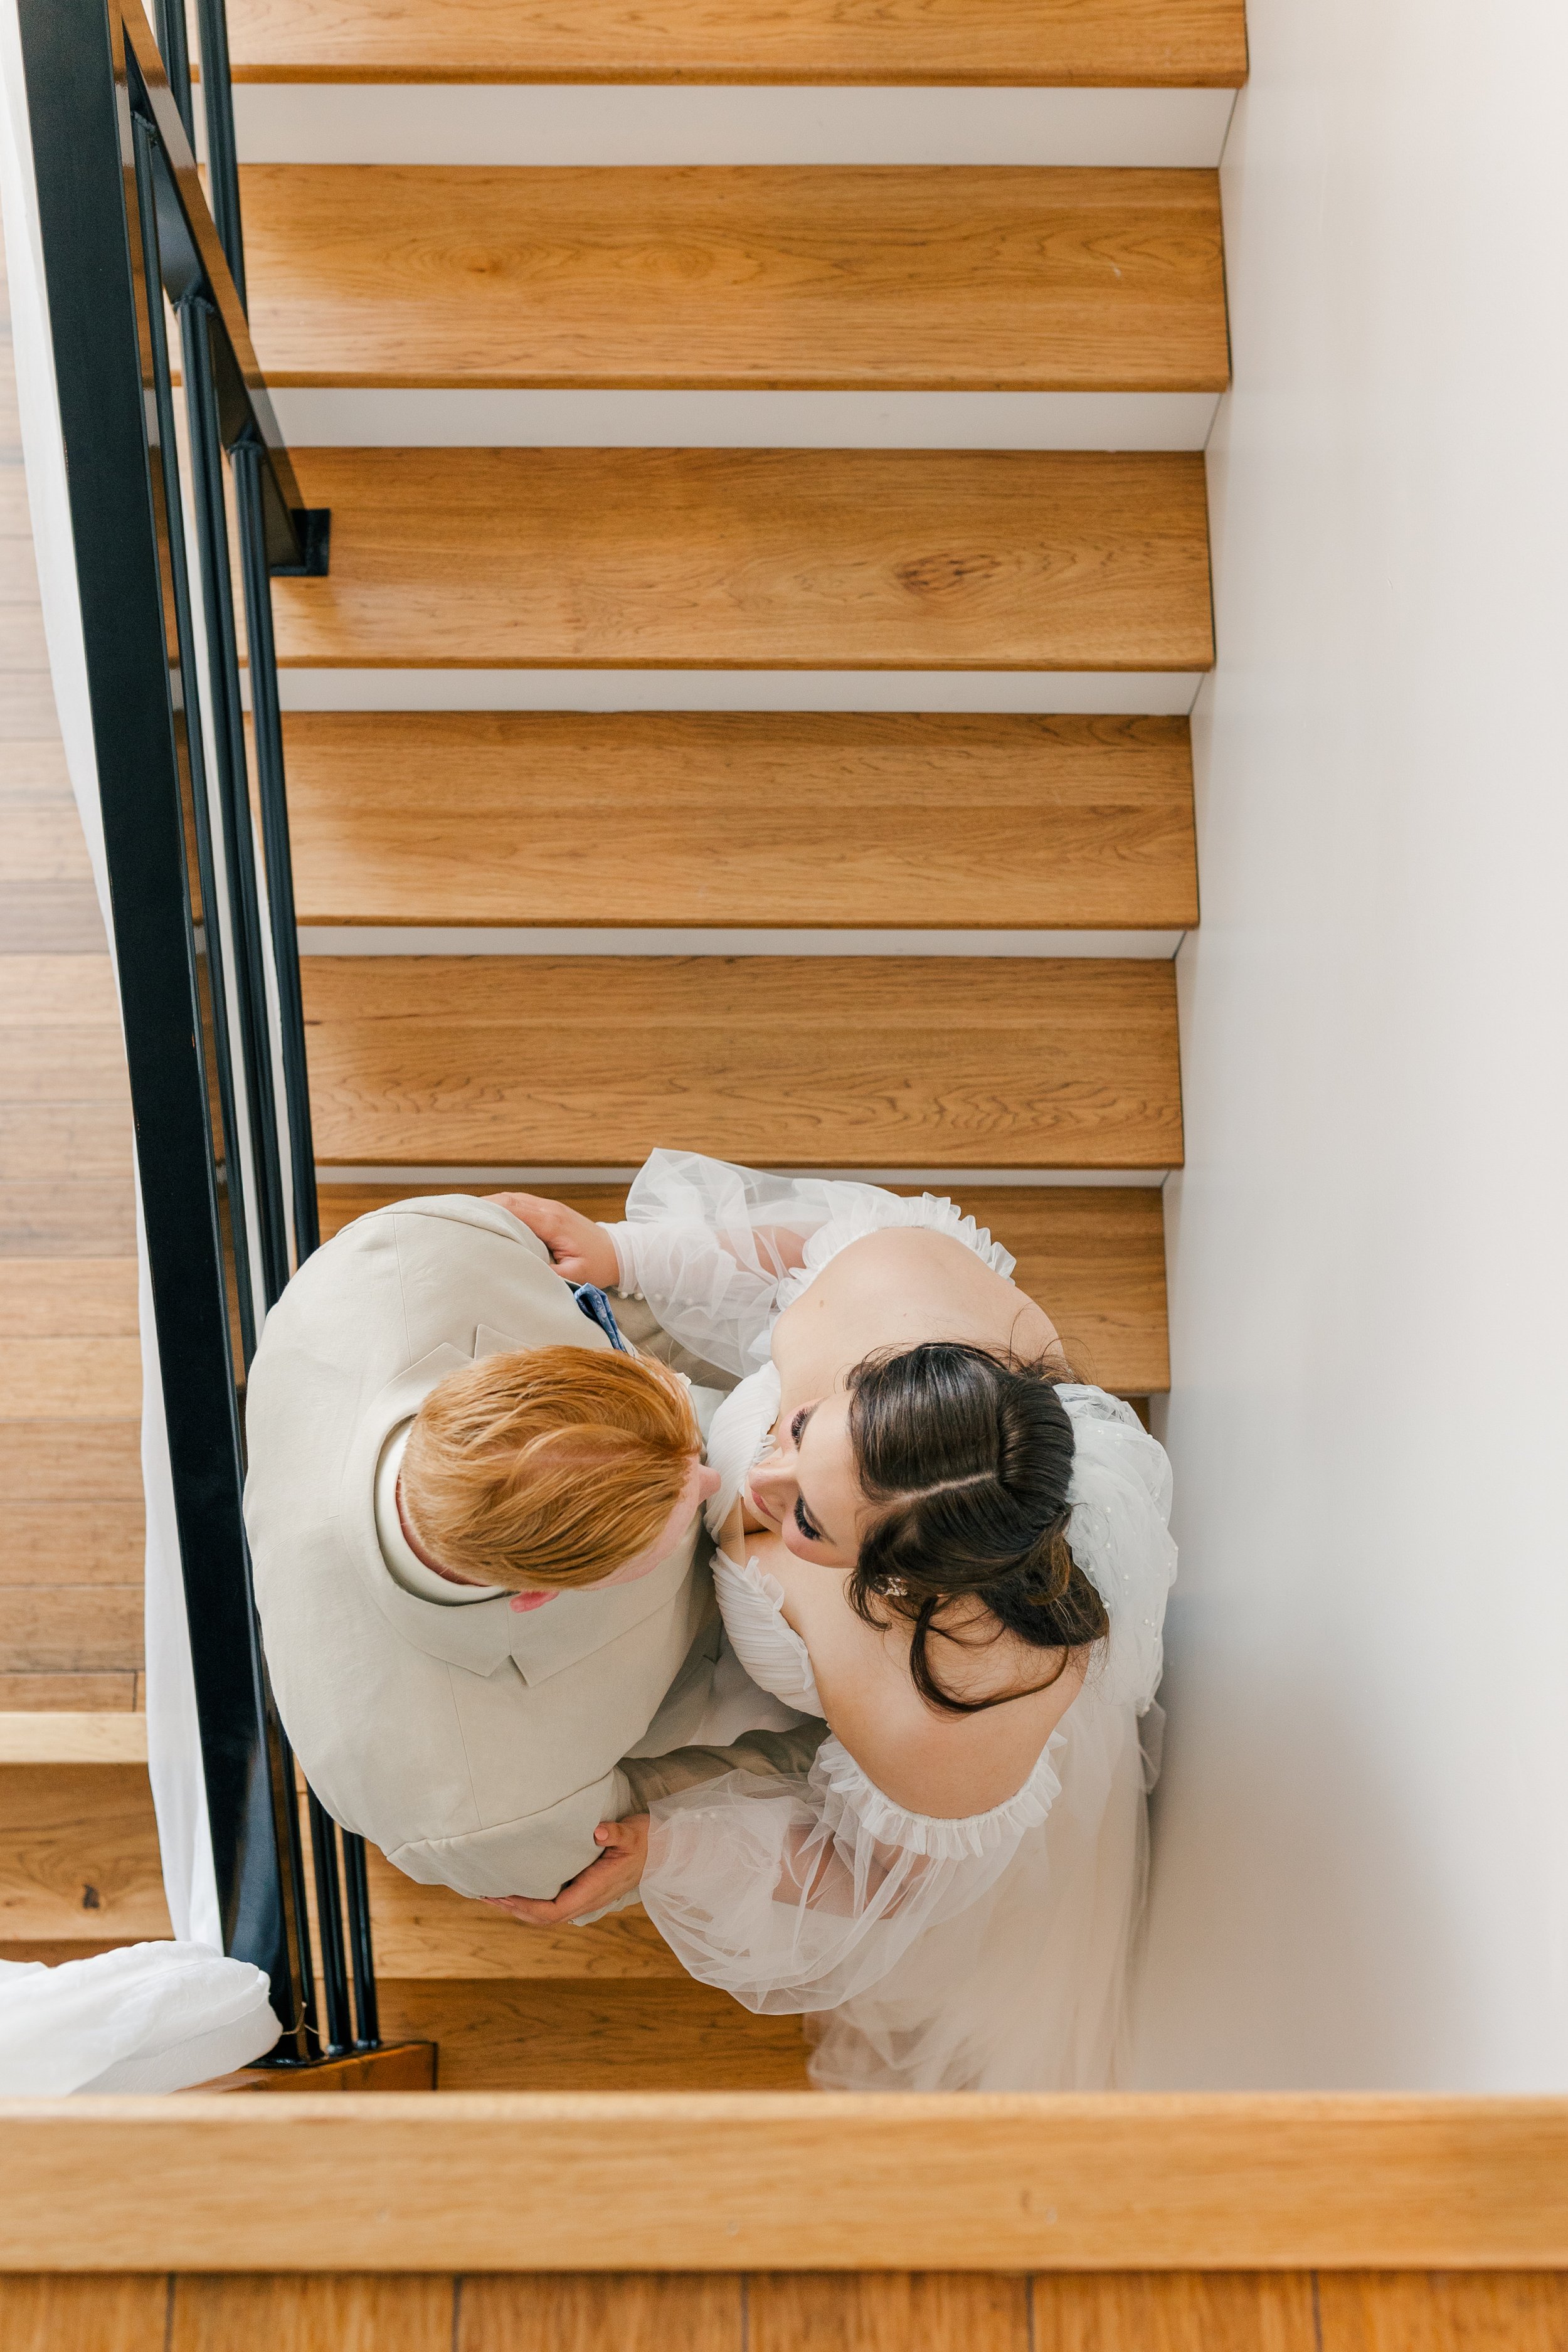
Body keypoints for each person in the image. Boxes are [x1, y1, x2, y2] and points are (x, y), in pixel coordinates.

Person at [492, 1152, 1177, 2090]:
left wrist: (668, 1849)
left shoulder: (944, 1717)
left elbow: (858, 1873)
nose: (746, 1483)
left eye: (808, 1522)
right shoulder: (890, 1285)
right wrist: (623, 1253)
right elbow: (791, 1259)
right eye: (804, 1424)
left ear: (904, 1587)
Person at [243, 1191, 813, 1907]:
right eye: (681, 1498)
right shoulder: (486, 1811)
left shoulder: (414, 1252)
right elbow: (718, 1807)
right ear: (539, 1596)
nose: (720, 1475)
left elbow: (604, 1293)